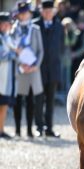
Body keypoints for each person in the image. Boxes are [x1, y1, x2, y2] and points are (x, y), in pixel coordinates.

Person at [11, 1, 44, 138]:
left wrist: (36, 65)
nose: (24, 15)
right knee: (18, 100)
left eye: (26, 13)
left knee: (31, 101)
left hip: (33, 69)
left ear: (29, 14)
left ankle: (30, 130)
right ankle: (18, 129)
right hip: (19, 69)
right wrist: (20, 64)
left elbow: (41, 50)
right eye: (21, 13)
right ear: (18, 15)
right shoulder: (13, 30)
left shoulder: (35, 29)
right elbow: (11, 50)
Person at [34, 0, 64, 137]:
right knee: (38, 99)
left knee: (51, 100)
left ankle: (49, 128)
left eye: (50, 11)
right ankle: (39, 127)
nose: (47, 13)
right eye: (45, 11)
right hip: (38, 68)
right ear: (41, 11)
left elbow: (62, 46)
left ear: (54, 12)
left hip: (53, 68)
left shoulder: (59, 26)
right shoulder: (35, 25)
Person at [0, 12, 17, 139]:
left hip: (6, 76)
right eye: (3, 24)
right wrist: (12, 55)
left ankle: (1, 129)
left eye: (7, 24)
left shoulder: (8, 37)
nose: (5, 26)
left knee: (4, 104)